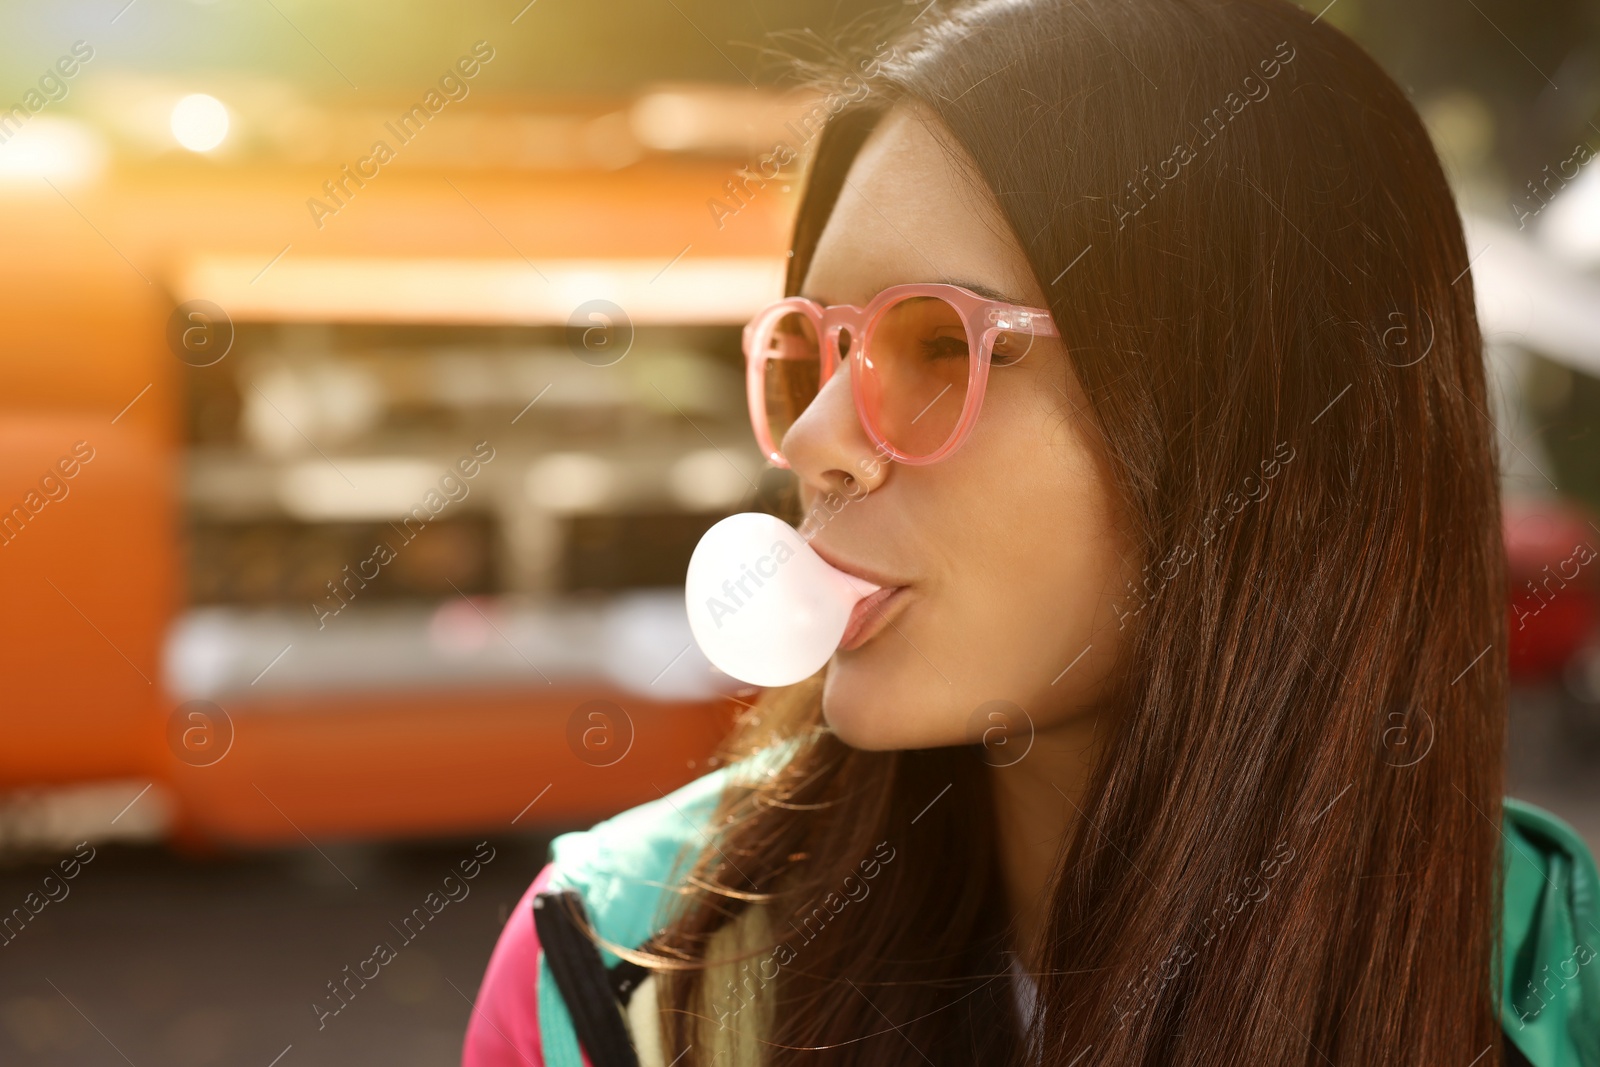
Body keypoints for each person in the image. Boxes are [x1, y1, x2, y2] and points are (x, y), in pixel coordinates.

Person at [463, 0, 1600, 1063]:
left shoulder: (1564, 987)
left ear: (1264, 423)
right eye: (815, 346)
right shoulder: (614, 970)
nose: (811, 439)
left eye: (941, 344)